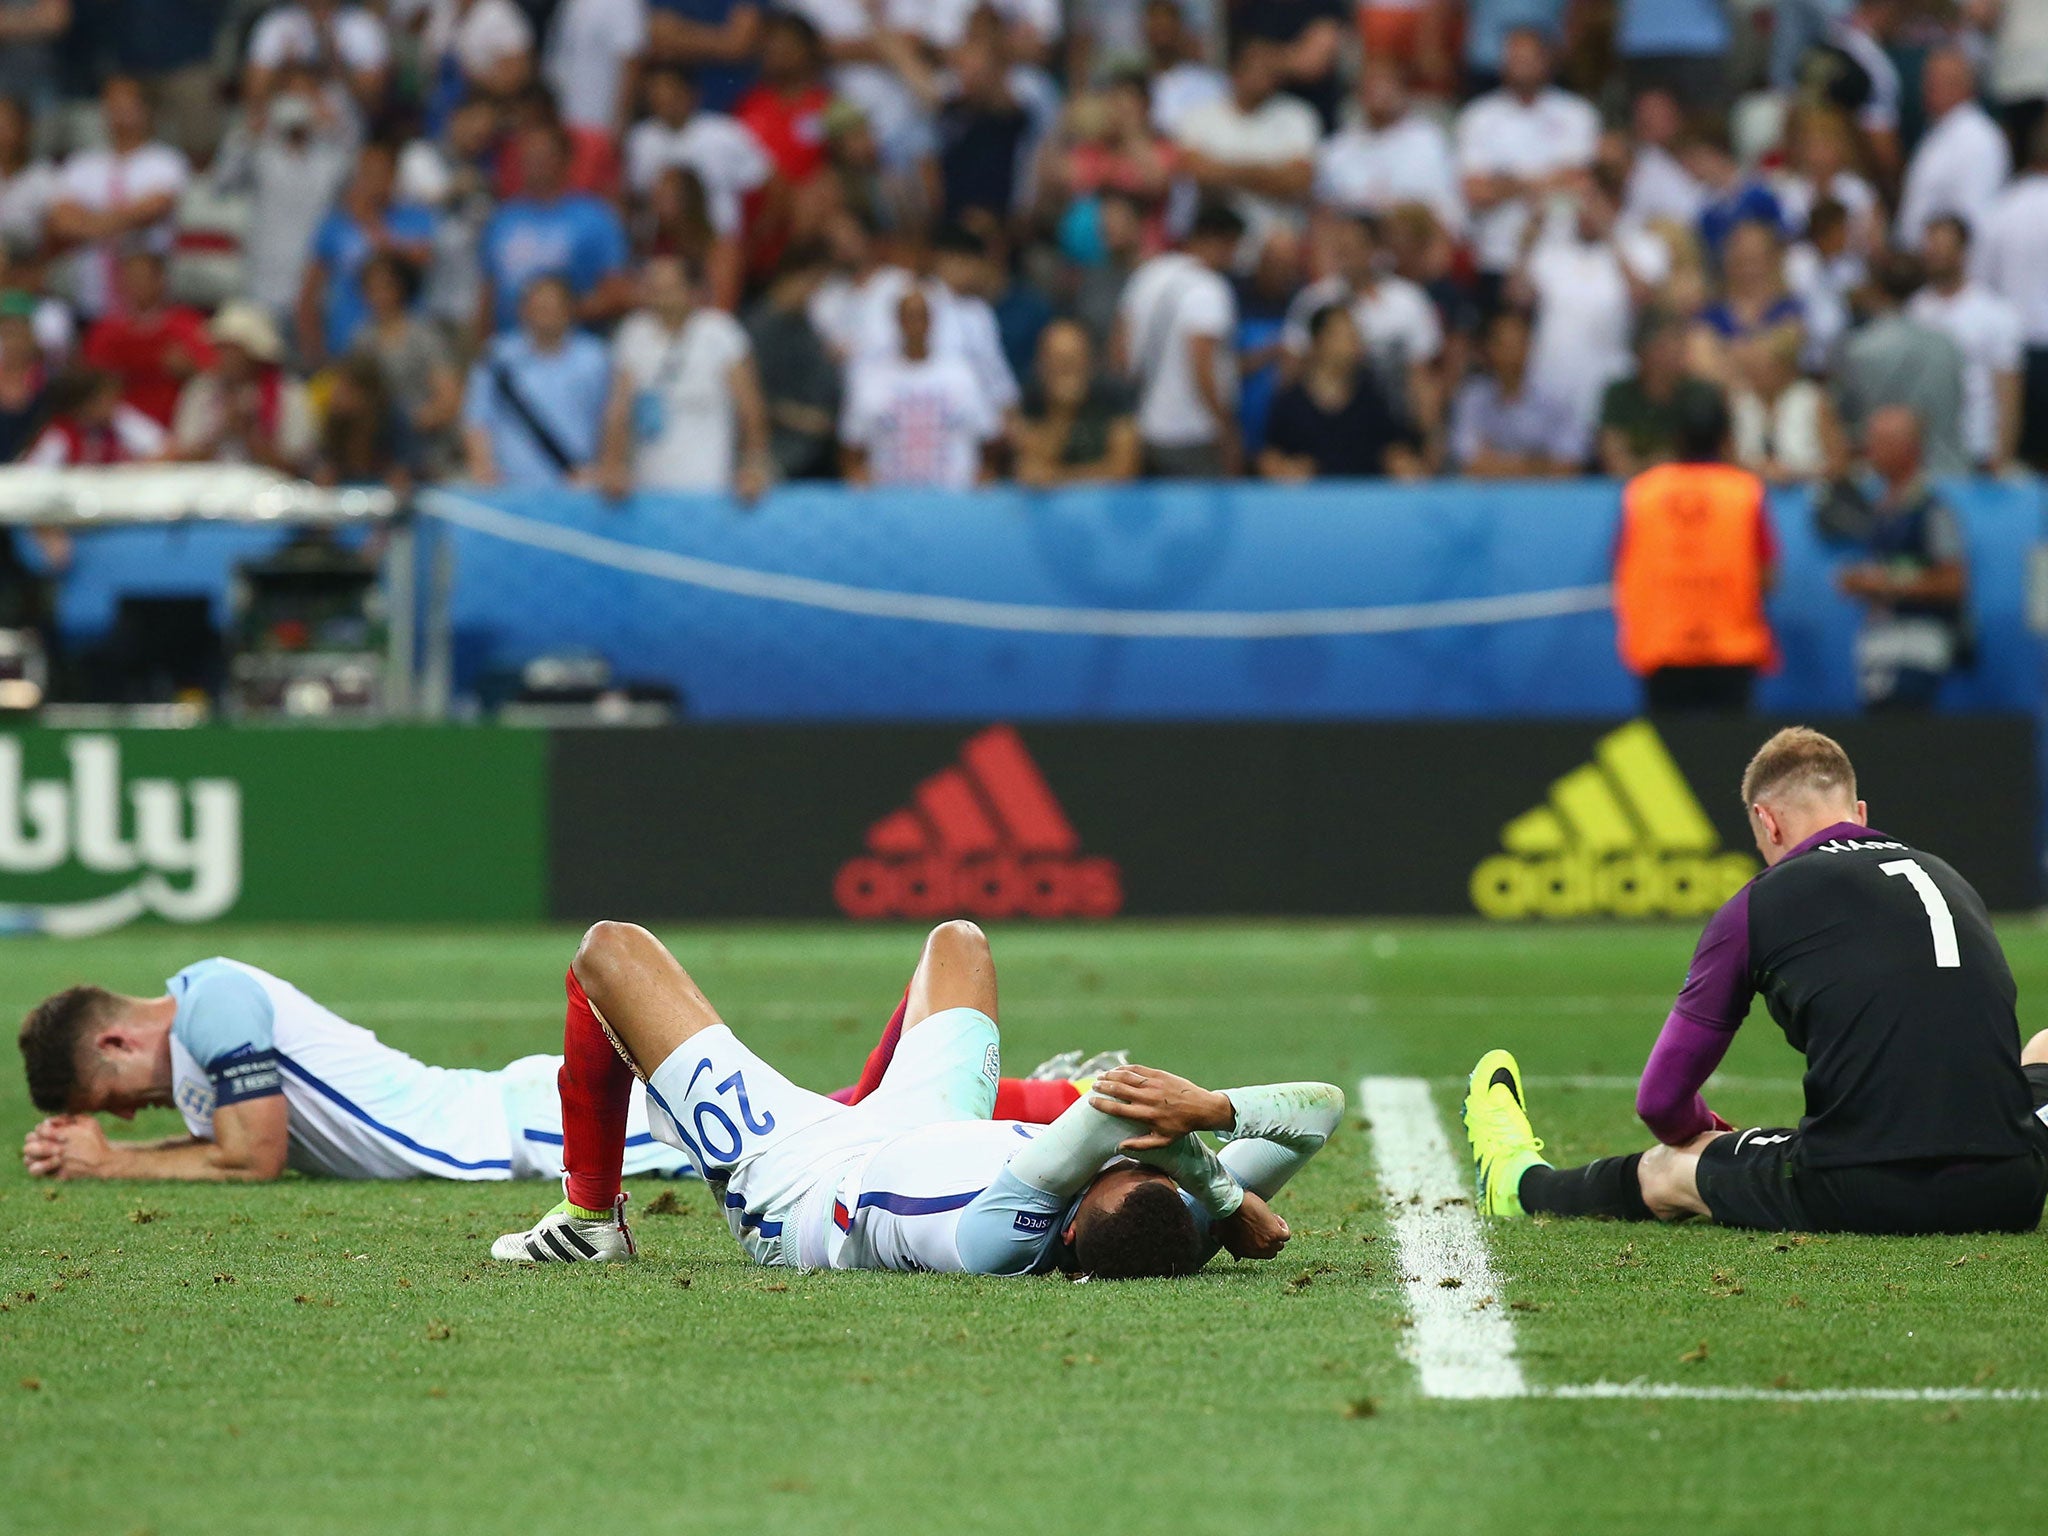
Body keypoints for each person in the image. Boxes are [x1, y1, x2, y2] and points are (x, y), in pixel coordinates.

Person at [488, 918, 1341, 1276]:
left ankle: (589, 1220)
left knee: (609, 952)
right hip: (921, 1127)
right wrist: (1221, 1147)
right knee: (958, 943)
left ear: (1072, 1223)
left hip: (797, 1181)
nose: (1131, 1154)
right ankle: (868, 1092)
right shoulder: (1181, 1226)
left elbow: (1115, 1112)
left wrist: (1212, 1162)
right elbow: (1323, 1108)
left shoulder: (1005, 1236)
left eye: (1115, 1167)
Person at [1465, 726, 2048, 1236]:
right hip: (2011, 1187)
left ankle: (1521, 1186)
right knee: (2042, 1048)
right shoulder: (1948, 876)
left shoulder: (1758, 903)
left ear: (1767, 822)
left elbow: (1660, 1102)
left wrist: (1704, 1134)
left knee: (1669, 1169)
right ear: (1860, 814)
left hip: (1863, 1189)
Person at [17, 948, 1110, 1183]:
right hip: (506, 1112)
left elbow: (248, 1158)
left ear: (117, 1039)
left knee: (824, 1134)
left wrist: (117, 1164)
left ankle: (1055, 1094)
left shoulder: (218, 1001)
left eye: (120, 1092)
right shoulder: (206, 1033)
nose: (144, 1104)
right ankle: (1046, 1090)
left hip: (512, 1131)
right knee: (833, 1120)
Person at [1611, 388, 1776, 712]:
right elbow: (1768, 576)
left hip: (1663, 650)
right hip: (1731, 651)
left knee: (1667, 760)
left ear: (1675, 437)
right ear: (1726, 436)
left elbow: (1622, 567)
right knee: (1733, 760)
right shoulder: (1744, 491)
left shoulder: (1642, 492)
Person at [1817, 405, 1969, 711]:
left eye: (1881, 442)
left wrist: (1883, 582)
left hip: (1916, 646)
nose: (1870, 450)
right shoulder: (1882, 508)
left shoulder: (1932, 510)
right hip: (1880, 645)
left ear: (1909, 449)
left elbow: (1954, 581)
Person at [598, 253, 770, 497]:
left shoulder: (720, 332)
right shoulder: (633, 332)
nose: (658, 294)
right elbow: (619, 409)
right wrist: (613, 465)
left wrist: (754, 465)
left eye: (668, 288)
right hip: (649, 485)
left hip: (711, 484)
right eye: (653, 286)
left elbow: (750, 408)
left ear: (693, 290)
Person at [1453, 27, 1599, 305]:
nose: (1521, 66)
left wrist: (1505, 181)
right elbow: (1475, 193)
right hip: (1496, 251)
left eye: (1528, 58)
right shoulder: (1478, 117)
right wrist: (1549, 179)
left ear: (1547, 61)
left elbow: (1581, 186)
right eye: (1514, 58)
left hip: (1562, 249)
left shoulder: (1578, 114)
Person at [1116, 201, 1244, 477]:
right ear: (1221, 242)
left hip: (1145, 425)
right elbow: (1202, 364)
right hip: (1192, 433)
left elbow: (1121, 354)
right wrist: (1227, 428)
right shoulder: (1208, 289)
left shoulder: (1148, 275)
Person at [47, 75, 190, 320]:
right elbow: (60, 222)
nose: (119, 111)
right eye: (112, 104)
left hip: (147, 303)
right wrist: (123, 220)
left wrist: (88, 222)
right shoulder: (81, 165)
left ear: (145, 109)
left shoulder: (165, 161)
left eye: (127, 104)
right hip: (89, 297)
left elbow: (151, 211)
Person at [477, 122, 634, 338]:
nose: (533, 163)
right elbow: (489, 292)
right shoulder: (503, 218)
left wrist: (559, 312)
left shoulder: (595, 218)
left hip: (572, 351)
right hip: (511, 350)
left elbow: (618, 293)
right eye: (528, 156)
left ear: (565, 160)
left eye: (542, 156)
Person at [840, 287, 1001, 489]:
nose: (914, 324)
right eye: (908, 316)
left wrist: (981, 482)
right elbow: (852, 445)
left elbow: (990, 438)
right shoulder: (871, 378)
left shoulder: (961, 375)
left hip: (953, 501)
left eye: (920, 316)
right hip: (890, 501)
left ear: (931, 320)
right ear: (897, 321)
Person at [462, 273, 613, 487]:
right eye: (538, 307)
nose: (545, 314)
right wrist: (483, 468)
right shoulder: (497, 357)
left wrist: (607, 468)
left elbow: (612, 417)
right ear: (523, 310)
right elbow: (477, 419)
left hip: (578, 484)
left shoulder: (595, 358)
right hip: (510, 487)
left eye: (553, 307)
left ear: (570, 310)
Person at [297, 141, 438, 367]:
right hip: (346, 345)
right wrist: (313, 349)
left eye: (380, 174)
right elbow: (310, 291)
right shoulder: (336, 224)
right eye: (365, 174)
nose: (372, 182)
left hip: (402, 351)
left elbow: (420, 261)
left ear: (394, 177)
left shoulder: (416, 218)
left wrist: (370, 224)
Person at [1172, 34, 1320, 247]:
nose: (1266, 76)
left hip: (1275, 235)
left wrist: (1224, 170)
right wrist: (1269, 175)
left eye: (1271, 70)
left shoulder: (1298, 115)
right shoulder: (1200, 116)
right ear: (1235, 71)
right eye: (1257, 68)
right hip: (1216, 236)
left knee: (1282, 246)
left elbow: (1299, 179)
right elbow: (1195, 171)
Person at [1831, 251, 1969, 480]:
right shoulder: (1947, 344)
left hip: (1887, 480)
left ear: (1875, 290)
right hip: (1949, 472)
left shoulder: (1858, 349)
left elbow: (1845, 419)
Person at [1909, 216, 2023, 475]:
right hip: (1926, 448)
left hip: (1977, 444)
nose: (1935, 254)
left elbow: (2008, 390)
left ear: (1962, 251)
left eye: (1943, 247)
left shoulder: (1995, 313)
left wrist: (2002, 452)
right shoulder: (1915, 310)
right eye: (1930, 248)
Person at [1259, 304, 1420, 480]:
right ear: (1319, 341)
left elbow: (1392, 448)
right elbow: (1269, 455)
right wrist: (1282, 469)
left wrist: (1403, 464)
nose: (1355, 343)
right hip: (1309, 502)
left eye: (1356, 335)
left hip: (1363, 499)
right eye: (1345, 335)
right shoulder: (1290, 403)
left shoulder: (1372, 398)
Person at [1312, 57, 1462, 237]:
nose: (1378, 90)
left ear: (1404, 89)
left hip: (1413, 240)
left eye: (1386, 82)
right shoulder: (1336, 148)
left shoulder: (1429, 140)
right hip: (1356, 244)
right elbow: (1323, 212)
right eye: (1370, 84)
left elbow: (1448, 211)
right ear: (1358, 93)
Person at [169, 304, 317, 473]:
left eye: (233, 350)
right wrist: (221, 431)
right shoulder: (201, 390)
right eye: (221, 348)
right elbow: (181, 459)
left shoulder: (289, 393)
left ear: (254, 353)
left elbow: (297, 468)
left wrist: (249, 434)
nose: (223, 356)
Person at [81, 249, 214, 428]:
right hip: (120, 423)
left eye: (141, 277)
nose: (135, 285)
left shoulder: (186, 325)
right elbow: (89, 381)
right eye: (130, 278)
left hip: (176, 419)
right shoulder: (106, 331)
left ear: (160, 280)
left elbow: (212, 374)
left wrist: (189, 368)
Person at [1895, 49, 2010, 256]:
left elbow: (1975, 218)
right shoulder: (1938, 130)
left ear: (1966, 86)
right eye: (1928, 79)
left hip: (1947, 269)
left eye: (1941, 80)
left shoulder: (1978, 138)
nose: (1929, 87)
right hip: (1921, 265)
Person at [1980, 121, 2048, 469]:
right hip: (2019, 349)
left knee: (2024, 464)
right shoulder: (2001, 209)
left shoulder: (2000, 210)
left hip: (2017, 348)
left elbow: (1982, 284)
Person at [1448, 307, 1579, 479]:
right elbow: (1470, 463)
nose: (1512, 353)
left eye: (1518, 343)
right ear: (1490, 349)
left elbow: (1567, 465)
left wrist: (1497, 462)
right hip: (1487, 501)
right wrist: (1538, 464)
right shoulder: (1472, 398)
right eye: (1505, 345)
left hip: (1545, 500)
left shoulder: (1557, 398)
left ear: (1529, 347)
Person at [1597, 308, 1723, 478]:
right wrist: (1655, 468)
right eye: (1668, 344)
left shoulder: (1703, 396)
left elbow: (1723, 462)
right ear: (1645, 350)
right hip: (1635, 488)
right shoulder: (1620, 395)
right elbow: (1614, 460)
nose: (1679, 351)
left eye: (1681, 342)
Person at [1014, 319, 1140, 486]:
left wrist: (1057, 477)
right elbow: (1032, 471)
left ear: (1090, 362)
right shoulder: (1030, 399)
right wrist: (1062, 412)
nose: (1066, 368)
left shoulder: (1113, 396)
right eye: (1056, 359)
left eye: (1073, 358)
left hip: (1105, 506)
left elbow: (1124, 471)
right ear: (1041, 364)